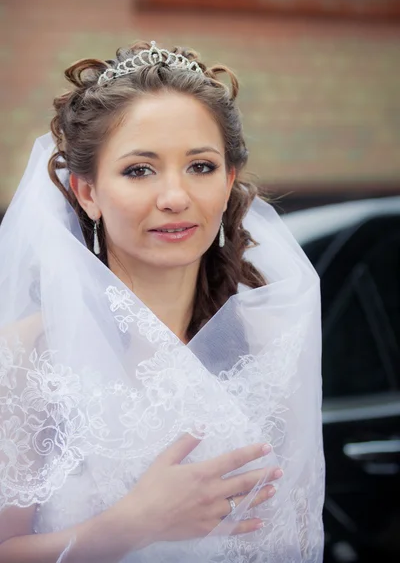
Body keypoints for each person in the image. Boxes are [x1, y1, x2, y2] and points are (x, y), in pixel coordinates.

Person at [0, 40, 325, 562]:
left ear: (229, 181)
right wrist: (130, 526)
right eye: (139, 170)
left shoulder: (268, 341)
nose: (175, 197)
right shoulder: (30, 354)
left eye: (200, 166)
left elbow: (294, 529)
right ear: (87, 192)